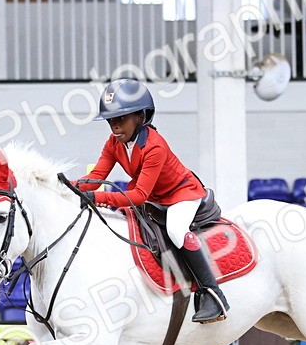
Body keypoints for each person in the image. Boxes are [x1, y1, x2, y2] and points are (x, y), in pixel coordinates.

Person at [77, 79, 230, 323]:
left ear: (140, 116)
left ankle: (213, 293)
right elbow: (96, 177)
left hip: (182, 195)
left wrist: (96, 197)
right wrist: (70, 187)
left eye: (121, 119)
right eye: (110, 121)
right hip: (156, 199)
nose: (115, 127)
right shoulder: (114, 143)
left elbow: (138, 196)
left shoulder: (154, 147)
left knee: (176, 230)